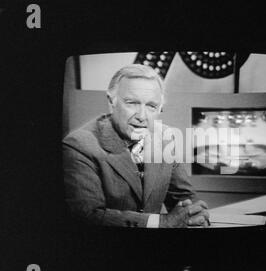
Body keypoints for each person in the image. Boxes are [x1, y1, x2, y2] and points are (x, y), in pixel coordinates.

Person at [63, 64, 210, 228]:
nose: (142, 116)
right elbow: (87, 215)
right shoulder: (79, 145)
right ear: (112, 101)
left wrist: (194, 212)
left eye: (151, 106)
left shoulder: (166, 138)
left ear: (160, 108)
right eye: (132, 103)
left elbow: (184, 197)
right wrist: (162, 222)